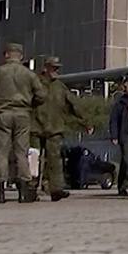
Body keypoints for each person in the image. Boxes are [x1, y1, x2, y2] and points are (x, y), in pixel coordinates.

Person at [0, 43, 46, 204]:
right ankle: (23, 192)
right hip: (23, 114)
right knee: (21, 152)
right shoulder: (29, 74)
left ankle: (0, 193)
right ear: (21, 56)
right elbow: (42, 95)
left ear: (6, 55)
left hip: (3, 114)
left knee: (1, 152)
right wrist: (31, 105)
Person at [35, 55, 93, 201]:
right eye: (53, 68)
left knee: (55, 159)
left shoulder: (60, 87)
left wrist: (86, 122)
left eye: (57, 68)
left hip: (54, 128)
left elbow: (74, 105)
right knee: (34, 159)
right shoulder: (35, 83)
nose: (56, 71)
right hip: (35, 126)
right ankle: (30, 188)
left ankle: (56, 189)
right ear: (45, 68)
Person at [108, 77, 128, 196]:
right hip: (127, 134)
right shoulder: (121, 102)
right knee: (127, 160)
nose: (124, 89)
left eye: (126, 86)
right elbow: (114, 119)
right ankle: (122, 186)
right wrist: (114, 135)